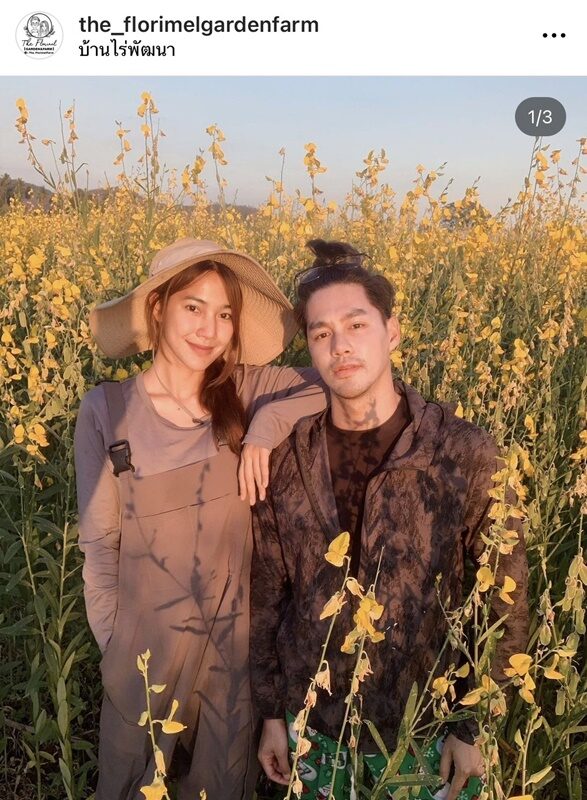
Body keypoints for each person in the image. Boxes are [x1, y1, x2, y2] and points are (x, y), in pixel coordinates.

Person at [250, 239, 529, 800]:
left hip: (426, 730)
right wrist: (272, 713)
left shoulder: (463, 451)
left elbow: (506, 597)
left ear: (392, 331)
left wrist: (471, 726)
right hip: (314, 726)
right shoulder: (287, 457)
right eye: (321, 334)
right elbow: (267, 596)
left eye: (357, 325)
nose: (340, 346)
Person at [74, 238, 326, 800]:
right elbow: (99, 545)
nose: (209, 329)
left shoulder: (247, 392)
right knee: (131, 785)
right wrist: (115, 645)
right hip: (143, 656)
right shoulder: (107, 410)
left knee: (220, 785)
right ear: (157, 308)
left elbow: (341, 383)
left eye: (225, 314)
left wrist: (265, 428)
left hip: (229, 655)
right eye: (193, 307)